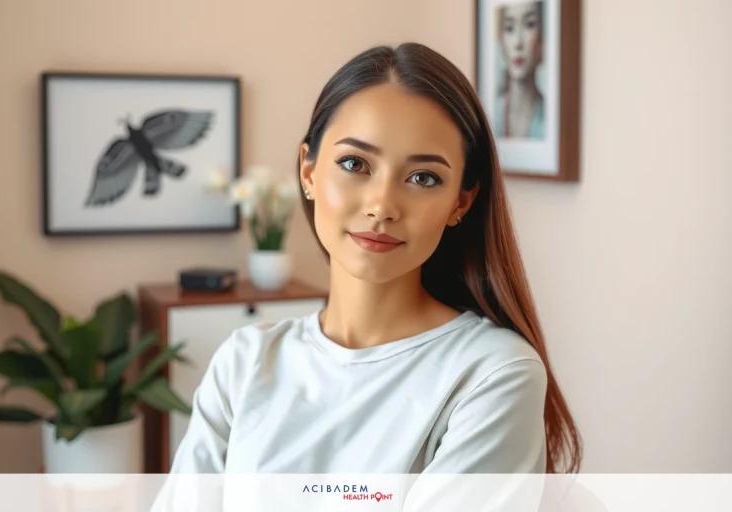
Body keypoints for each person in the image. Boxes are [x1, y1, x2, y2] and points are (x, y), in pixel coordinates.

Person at [169, 42, 581, 475]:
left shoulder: (493, 374)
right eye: (354, 163)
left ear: (461, 201)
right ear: (308, 173)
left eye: (423, 177)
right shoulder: (244, 361)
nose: (382, 205)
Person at [493, 1, 546, 139]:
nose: (518, 43)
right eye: (509, 28)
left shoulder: (550, 119)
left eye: (529, 25)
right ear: (502, 41)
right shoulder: (491, 115)